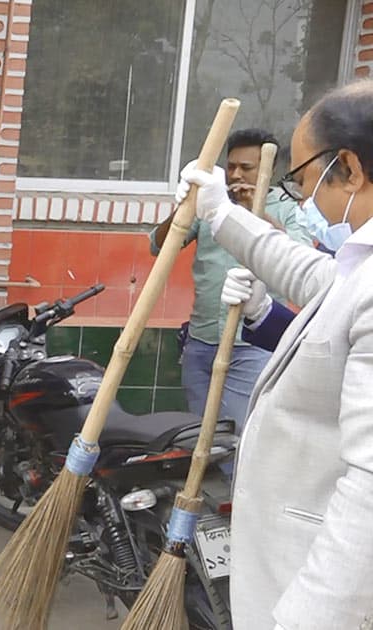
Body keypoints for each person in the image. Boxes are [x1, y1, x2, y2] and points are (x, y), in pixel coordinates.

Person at [176, 79, 373, 630]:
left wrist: (310, 617)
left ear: (350, 169)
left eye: (304, 179)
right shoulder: (359, 262)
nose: (304, 200)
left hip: (316, 588)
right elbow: (321, 277)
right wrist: (220, 213)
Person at [150, 128, 312, 430]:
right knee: (199, 434)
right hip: (201, 340)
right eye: (232, 166)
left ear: (267, 170)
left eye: (246, 168)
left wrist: (255, 212)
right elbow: (157, 246)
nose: (236, 174)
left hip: (253, 347)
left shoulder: (287, 208)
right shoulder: (211, 203)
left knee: (237, 434)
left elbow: (301, 258)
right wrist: (186, 204)